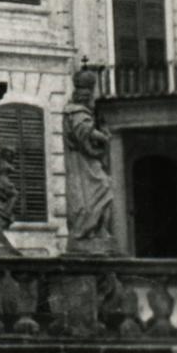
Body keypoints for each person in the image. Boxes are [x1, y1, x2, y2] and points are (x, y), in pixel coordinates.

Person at [63, 66, 114, 248]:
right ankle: (87, 232)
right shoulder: (77, 112)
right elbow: (84, 131)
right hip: (83, 164)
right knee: (104, 188)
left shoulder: (79, 112)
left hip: (87, 162)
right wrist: (104, 137)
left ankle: (97, 232)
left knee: (104, 190)